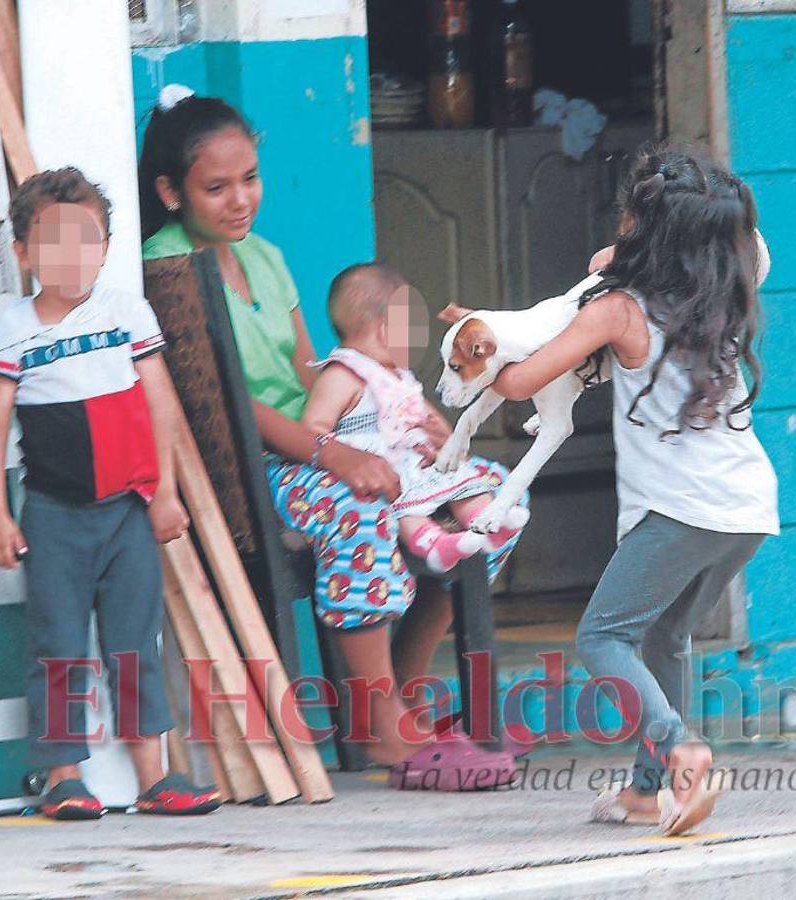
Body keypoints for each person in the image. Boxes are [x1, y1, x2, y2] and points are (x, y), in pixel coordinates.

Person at [138, 86, 526, 788]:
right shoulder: (169, 267)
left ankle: (398, 697)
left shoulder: (263, 256)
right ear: (171, 192)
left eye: (250, 179)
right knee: (360, 508)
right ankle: (382, 726)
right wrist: (333, 453)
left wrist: (393, 417)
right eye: (216, 188)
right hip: (259, 463)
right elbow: (223, 405)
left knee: (488, 494)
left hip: (318, 441)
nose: (240, 200)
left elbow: (304, 369)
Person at [491, 146, 779, 834]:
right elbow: (746, 239)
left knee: (603, 636)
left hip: (681, 508)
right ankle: (649, 791)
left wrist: (484, 357)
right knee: (665, 636)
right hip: (747, 504)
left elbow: (520, 384)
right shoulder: (730, 281)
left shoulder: (619, 310)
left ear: (640, 230)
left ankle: (680, 749)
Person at [0, 167, 220, 820]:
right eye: (51, 242)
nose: (71, 255)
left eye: (85, 240)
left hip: (127, 512)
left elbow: (159, 402)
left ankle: (153, 776)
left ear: (106, 247)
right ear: (23, 253)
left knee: (135, 644)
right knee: (58, 646)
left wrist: (165, 493)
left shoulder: (125, 313)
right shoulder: (14, 331)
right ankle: (64, 777)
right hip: (53, 517)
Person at [302, 263, 529, 574]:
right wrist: (345, 455)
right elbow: (313, 428)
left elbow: (425, 417)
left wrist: (442, 435)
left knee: (461, 479)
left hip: (415, 459)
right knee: (403, 501)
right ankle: (433, 545)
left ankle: (487, 522)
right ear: (385, 330)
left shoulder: (397, 376)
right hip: (378, 467)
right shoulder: (342, 373)